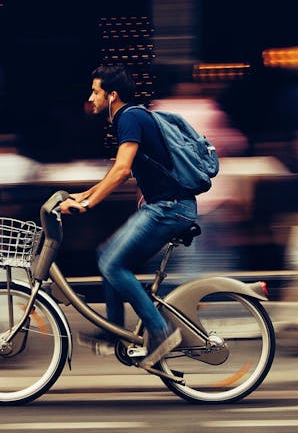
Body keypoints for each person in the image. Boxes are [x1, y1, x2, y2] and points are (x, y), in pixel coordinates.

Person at [60, 65, 198, 369]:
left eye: (95, 91)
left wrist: (88, 205)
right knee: (106, 254)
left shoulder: (130, 117)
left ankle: (161, 331)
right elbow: (121, 174)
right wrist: (84, 194)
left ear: (112, 95)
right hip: (164, 206)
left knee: (111, 263)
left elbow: (121, 169)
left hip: (169, 208)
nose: (91, 97)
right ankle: (115, 333)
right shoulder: (130, 118)